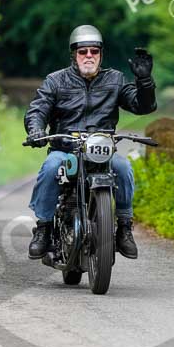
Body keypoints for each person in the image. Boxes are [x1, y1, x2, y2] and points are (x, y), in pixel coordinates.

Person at [24, 25, 156, 261]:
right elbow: (38, 109)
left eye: (94, 51)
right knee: (51, 168)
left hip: (101, 151)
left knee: (124, 168)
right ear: (73, 55)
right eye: (83, 51)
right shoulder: (56, 81)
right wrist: (35, 129)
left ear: (100, 55)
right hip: (65, 149)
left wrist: (144, 82)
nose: (88, 56)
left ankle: (124, 228)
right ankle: (43, 228)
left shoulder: (115, 80)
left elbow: (142, 106)